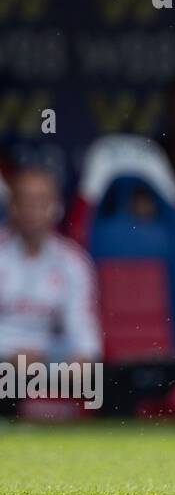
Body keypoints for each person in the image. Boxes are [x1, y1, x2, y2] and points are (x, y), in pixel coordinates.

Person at [0, 167, 101, 417]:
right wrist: (13, 357)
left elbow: (83, 328)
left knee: (105, 382)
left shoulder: (74, 262)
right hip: (3, 361)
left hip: (49, 362)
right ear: (13, 207)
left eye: (41, 202)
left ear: (56, 208)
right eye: (25, 202)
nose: (33, 210)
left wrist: (83, 359)